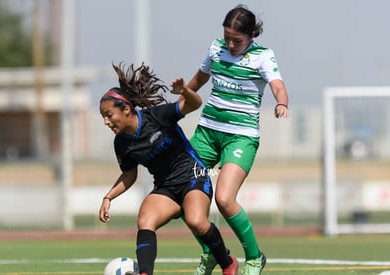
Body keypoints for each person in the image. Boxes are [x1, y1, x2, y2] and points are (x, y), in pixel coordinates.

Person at [98, 62, 239, 275]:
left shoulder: (156, 117)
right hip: (166, 187)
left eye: (109, 115)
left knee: (196, 222)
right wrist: (108, 197)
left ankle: (228, 264)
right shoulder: (121, 143)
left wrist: (185, 91)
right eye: (103, 117)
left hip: (193, 177)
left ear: (126, 109)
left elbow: (194, 104)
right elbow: (129, 174)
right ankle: (145, 273)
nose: (106, 122)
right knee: (145, 220)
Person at [187, 5, 290, 275]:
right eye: (227, 37)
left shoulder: (262, 56)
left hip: (241, 137)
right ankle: (211, 253)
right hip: (207, 132)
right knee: (183, 194)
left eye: (237, 40)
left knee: (223, 198)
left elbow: (277, 84)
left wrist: (281, 102)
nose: (230, 44)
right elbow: (200, 77)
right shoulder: (216, 48)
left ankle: (254, 258)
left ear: (252, 34)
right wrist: (179, 101)